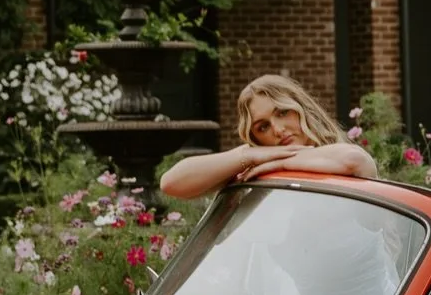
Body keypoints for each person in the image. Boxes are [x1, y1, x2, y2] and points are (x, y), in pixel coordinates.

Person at [160, 73, 378, 201]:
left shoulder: (340, 156)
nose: (278, 129)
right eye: (262, 127)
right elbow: (171, 183)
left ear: (302, 108)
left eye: (282, 113)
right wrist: (249, 156)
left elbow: (356, 160)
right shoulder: (255, 167)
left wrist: (280, 161)